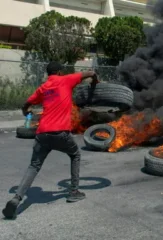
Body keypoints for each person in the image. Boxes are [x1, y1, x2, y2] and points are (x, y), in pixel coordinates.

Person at [2, 61, 99, 219]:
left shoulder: (43, 88)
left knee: (34, 166)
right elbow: (89, 73)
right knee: (75, 155)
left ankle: (16, 198)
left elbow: (27, 103)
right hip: (60, 133)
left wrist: (26, 111)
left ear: (48, 74)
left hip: (42, 134)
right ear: (60, 72)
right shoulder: (66, 79)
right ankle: (74, 191)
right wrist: (96, 81)